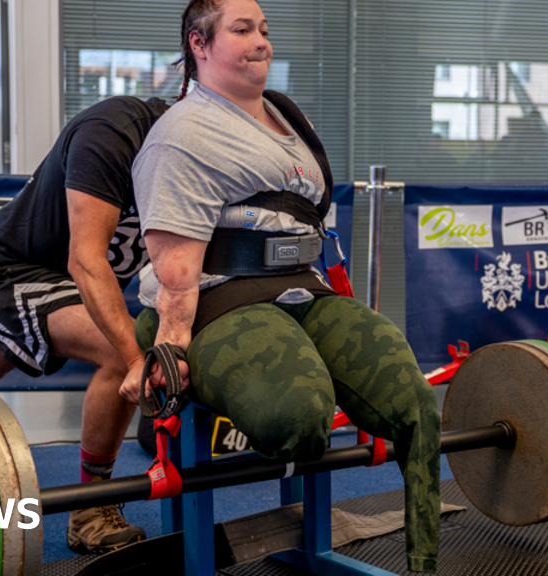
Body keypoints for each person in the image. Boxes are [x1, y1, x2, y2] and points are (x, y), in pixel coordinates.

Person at [123, 0, 441, 572]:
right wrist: (170, 347)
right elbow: (175, 267)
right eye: (242, 30)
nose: (261, 42)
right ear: (199, 44)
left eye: (264, 30)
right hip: (220, 298)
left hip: (305, 288)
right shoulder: (182, 136)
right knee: (297, 420)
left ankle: (423, 563)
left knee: (414, 404)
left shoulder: (289, 115)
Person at [0, 95, 169, 553]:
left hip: (74, 283)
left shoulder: (209, 159)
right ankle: (88, 511)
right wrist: (134, 356)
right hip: (22, 268)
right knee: (121, 352)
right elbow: (85, 260)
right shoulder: (115, 132)